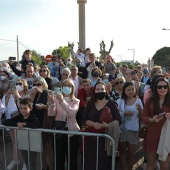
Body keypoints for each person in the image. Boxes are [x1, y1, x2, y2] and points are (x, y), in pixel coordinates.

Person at [82, 81, 122, 170]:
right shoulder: (90, 104)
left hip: (106, 140)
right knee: (91, 163)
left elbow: (119, 120)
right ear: (94, 91)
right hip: (91, 140)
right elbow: (84, 119)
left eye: (102, 89)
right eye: (98, 89)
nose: (100, 91)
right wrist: (93, 124)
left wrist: (108, 125)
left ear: (106, 90)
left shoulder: (111, 104)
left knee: (104, 164)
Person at [48, 78, 80, 170]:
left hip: (72, 133)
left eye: (69, 85)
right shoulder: (56, 99)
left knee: (72, 159)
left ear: (73, 88)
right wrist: (52, 103)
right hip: (59, 132)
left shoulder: (76, 101)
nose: (67, 87)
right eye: (65, 85)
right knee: (59, 159)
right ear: (61, 87)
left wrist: (62, 101)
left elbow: (71, 113)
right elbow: (51, 114)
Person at [141, 77, 170, 170]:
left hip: (167, 135)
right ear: (155, 88)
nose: (163, 89)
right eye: (160, 87)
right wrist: (151, 119)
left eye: (165, 86)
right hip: (152, 134)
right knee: (150, 163)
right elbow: (143, 117)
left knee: (164, 165)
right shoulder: (150, 100)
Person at [3, 98, 40, 170]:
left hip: (32, 143)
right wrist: (17, 123)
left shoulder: (33, 117)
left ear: (31, 108)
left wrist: (23, 125)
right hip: (23, 142)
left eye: (25, 108)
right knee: (26, 161)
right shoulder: (19, 116)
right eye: (21, 108)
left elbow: (36, 124)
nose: (22, 110)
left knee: (32, 162)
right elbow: (5, 122)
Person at [2, 78, 29, 170]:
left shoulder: (27, 95)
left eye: (20, 83)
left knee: (25, 143)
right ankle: (15, 159)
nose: (18, 85)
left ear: (24, 85)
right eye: (17, 83)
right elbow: (4, 107)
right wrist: (8, 95)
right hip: (13, 121)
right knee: (14, 142)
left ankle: (26, 162)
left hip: (23, 122)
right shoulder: (11, 95)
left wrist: (17, 96)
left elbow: (25, 107)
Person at [117, 82, 143, 170]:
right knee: (122, 151)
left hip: (133, 129)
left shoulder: (138, 100)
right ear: (124, 91)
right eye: (128, 90)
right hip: (122, 130)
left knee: (132, 153)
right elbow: (115, 114)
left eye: (133, 89)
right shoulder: (120, 101)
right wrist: (123, 113)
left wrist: (140, 111)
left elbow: (143, 116)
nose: (131, 91)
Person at [29, 76, 53, 170]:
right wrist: (31, 96)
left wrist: (44, 107)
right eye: (34, 85)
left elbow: (53, 108)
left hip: (47, 122)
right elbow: (28, 108)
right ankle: (43, 167)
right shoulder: (33, 95)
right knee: (41, 148)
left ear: (44, 85)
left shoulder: (49, 93)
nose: (36, 86)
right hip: (37, 121)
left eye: (39, 84)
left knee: (49, 147)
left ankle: (51, 167)